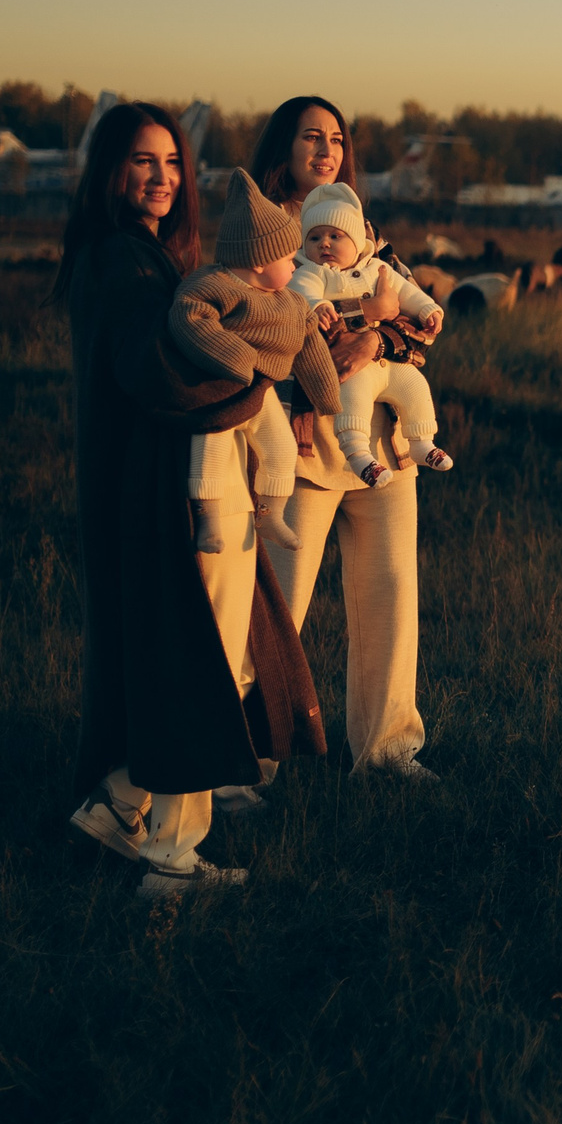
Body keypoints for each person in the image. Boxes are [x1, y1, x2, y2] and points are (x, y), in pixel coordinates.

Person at [55, 101, 326, 894]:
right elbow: (157, 375)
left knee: (186, 655)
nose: (163, 178)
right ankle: (174, 860)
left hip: (160, 484)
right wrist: (259, 377)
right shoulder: (122, 261)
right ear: (110, 169)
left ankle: (118, 801)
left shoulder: (143, 257)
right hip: (164, 490)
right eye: (144, 161)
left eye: (173, 163)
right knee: (194, 664)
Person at [249, 95, 437, 783]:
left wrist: (374, 336)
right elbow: (260, 326)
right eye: (310, 137)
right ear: (284, 147)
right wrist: (356, 323)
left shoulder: (365, 228)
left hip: (381, 446)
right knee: (275, 605)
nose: (325, 150)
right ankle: (250, 761)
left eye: (335, 139)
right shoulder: (266, 235)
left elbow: (417, 322)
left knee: (390, 590)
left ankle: (388, 750)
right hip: (297, 445)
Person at [169, 171, 340, 553]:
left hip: (262, 393)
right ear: (260, 261)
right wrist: (236, 357)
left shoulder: (291, 302)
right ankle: (208, 519)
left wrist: (328, 398)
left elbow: (309, 343)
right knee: (209, 445)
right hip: (221, 389)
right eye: (287, 257)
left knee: (280, 449)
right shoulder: (216, 286)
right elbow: (189, 317)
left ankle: (271, 513)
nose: (296, 265)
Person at [290, 183, 454, 486]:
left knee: (415, 385)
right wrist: (320, 305)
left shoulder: (379, 267)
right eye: (314, 238)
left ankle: (421, 442)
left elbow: (406, 292)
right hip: (354, 370)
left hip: (387, 363)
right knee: (354, 400)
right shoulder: (310, 272)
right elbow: (301, 295)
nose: (324, 244)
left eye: (335, 236)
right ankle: (359, 455)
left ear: (357, 243)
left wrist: (429, 309)